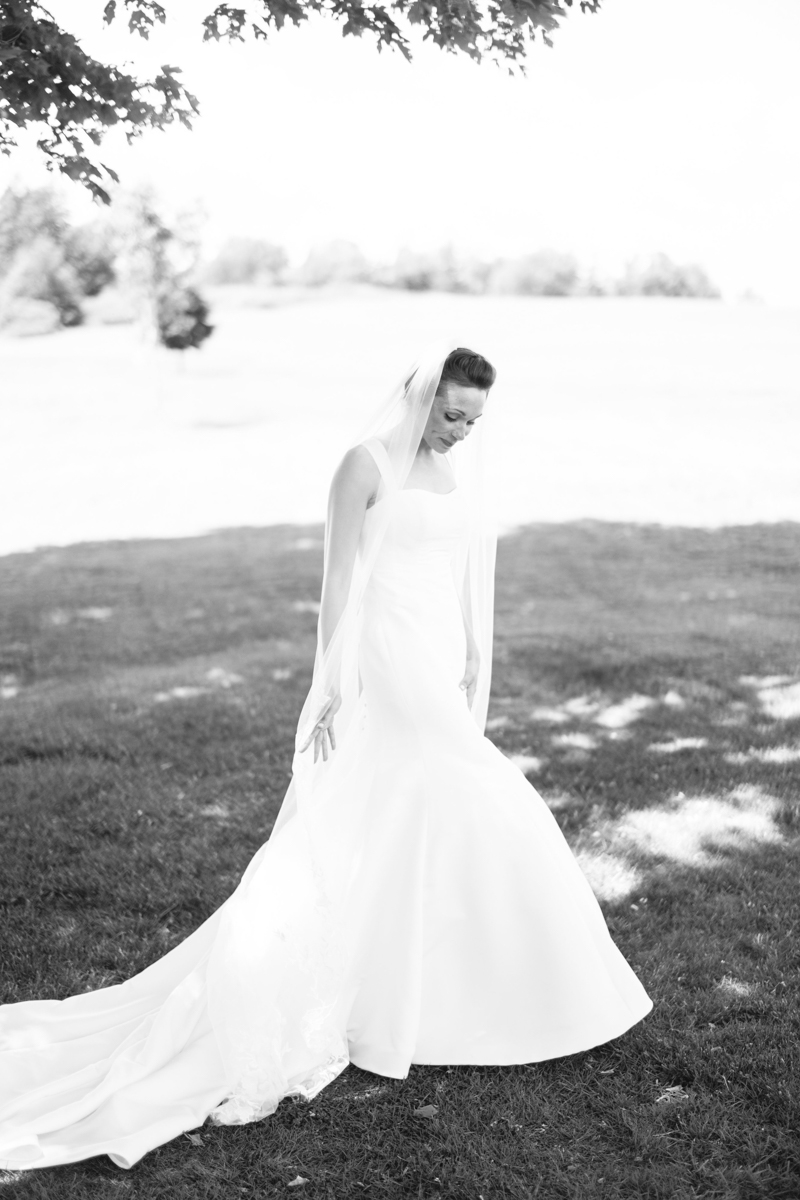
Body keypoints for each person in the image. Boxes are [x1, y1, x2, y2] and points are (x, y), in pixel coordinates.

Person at [0, 344, 652, 1171]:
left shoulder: (455, 476)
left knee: (410, 807)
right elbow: (339, 579)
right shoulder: (364, 463)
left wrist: (473, 657)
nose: (460, 430)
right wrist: (334, 681)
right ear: (422, 396)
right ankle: (531, 989)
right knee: (490, 794)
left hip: (432, 649)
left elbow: (453, 572)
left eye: (473, 419)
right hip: (382, 654)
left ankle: (431, 992)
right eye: (452, 412)